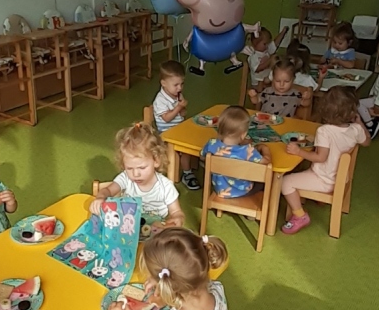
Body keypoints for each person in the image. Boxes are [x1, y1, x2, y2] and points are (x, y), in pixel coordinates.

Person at [280, 86, 370, 234]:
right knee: (303, 171)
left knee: (285, 181)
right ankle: (317, 200)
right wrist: (359, 123)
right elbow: (366, 142)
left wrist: (299, 151)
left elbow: (320, 158)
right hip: (341, 179)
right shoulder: (356, 129)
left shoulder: (324, 131)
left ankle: (300, 215)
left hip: (324, 179)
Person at [90, 122, 184, 231]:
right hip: (127, 227)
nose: (136, 174)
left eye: (142, 168)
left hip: (154, 233)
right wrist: (100, 197)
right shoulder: (125, 178)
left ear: (156, 161)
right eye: (129, 168)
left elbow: (176, 212)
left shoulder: (166, 187)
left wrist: (178, 218)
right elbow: (107, 190)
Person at [201, 106, 271, 198]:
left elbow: (202, 156)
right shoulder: (248, 151)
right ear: (243, 135)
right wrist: (265, 148)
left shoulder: (212, 144)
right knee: (265, 177)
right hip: (242, 191)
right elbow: (267, 161)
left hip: (220, 190)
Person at [152, 59, 199, 191]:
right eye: (176, 85)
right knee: (185, 148)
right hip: (167, 133)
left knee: (197, 135)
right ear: (163, 83)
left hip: (179, 129)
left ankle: (197, 157)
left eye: (182, 84)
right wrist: (179, 107)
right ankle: (187, 173)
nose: (180, 88)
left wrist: (182, 110)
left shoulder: (176, 95)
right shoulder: (160, 100)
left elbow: (182, 114)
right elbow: (166, 118)